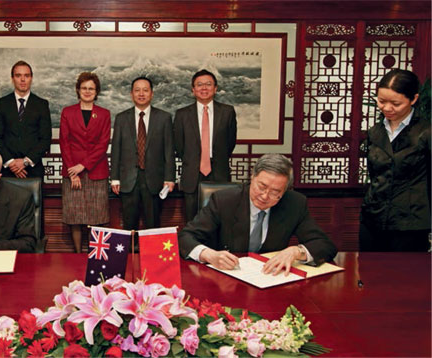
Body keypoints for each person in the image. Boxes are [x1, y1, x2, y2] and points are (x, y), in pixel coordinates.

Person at [178, 154, 337, 275]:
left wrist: (297, 251)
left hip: (271, 279)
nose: (265, 196)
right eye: (261, 186)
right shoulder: (224, 201)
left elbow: (325, 245)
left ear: (285, 190)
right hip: (227, 277)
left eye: (275, 192)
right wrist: (209, 255)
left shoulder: (294, 204)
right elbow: (185, 237)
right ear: (252, 177)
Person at [360, 69, 431, 252]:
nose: (387, 108)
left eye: (396, 103)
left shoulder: (426, 133)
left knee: (404, 278)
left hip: (410, 223)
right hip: (373, 219)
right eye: (381, 101)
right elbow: (374, 175)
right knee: (369, 274)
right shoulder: (375, 132)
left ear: (413, 99)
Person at [111, 76, 175, 231]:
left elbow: (169, 150)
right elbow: (116, 150)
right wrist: (114, 178)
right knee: (129, 224)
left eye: (145, 90)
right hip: (128, 180)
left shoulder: (164, 118)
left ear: (152, 94)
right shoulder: (121, 118)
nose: (141, 94)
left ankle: (151, 255)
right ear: (131, 94)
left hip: (154, 180)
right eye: (137, 90)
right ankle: (130, 253)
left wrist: (169, 178)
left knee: (152, 223)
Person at [174, 69, 237, 222]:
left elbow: (230, 142)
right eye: (199, 85)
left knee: (220, 216)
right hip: (192, 174)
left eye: (208, 84)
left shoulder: (227, 112)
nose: (204, 88)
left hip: (219, 172)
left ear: (215, 88)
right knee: (191, 218)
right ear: (193, 89)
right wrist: (194, 160)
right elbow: (179, 145)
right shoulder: (182, 114)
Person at [59, 72, 111, 253]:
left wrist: (83, 165)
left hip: (96, 172)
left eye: (91, 88)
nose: (87, 92)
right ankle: (78, 256)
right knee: (75, 217)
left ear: (97, 92)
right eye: (84, 88)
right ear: (78, 90)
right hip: (72, 173)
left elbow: (103, 144)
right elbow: (64, 143)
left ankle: (95, 256)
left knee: (96, 217)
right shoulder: (67, 112)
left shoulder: (104, 114)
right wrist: (74, 173)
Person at [0, 60, 52, 179]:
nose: (23, 80)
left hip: (33, 170)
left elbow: (45, 139)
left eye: (26, 76)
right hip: (8, 171)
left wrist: (25, 162)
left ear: (31, 78)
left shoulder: (42, 104)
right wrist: (11, 163)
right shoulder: (2, 104)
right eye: (18, 75)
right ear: (12, 78)